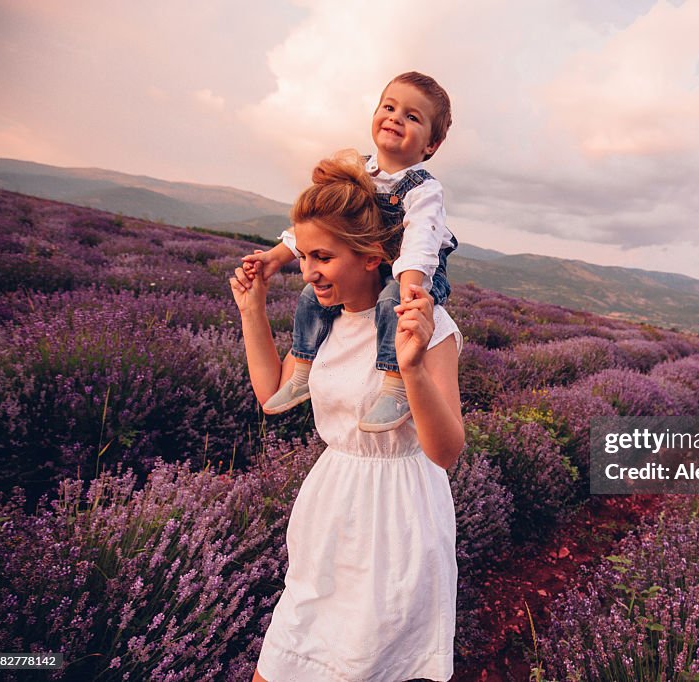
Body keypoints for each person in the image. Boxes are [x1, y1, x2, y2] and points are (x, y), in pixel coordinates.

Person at [230, 150, 464, 681]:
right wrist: (252, 310)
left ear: (371, 256)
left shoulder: (432, 326)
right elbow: (272, 395)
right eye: (305, 256)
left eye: (323, 258)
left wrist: (413, 370)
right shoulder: (324, 325)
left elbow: (446, 451)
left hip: (399, 521)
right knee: (284, 660)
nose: (308, 272)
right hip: (330, 511)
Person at [243, 71, 456, 433]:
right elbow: (321, 226)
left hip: (411, 273)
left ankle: (394, 385)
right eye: (388, 107)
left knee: (393, 303)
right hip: (373, 265)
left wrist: (411, 287)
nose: (395, 118)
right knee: (310, 297)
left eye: (411, 116)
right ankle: (302, 373)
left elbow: (420, 242)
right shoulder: (356, 170)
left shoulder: (423, 190)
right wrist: (277, 257)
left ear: (431, 145)